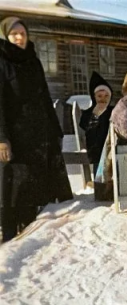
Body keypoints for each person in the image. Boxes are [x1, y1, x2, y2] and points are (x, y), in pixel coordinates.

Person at [0, 17, 72, 242]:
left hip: (37, 136)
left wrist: (54, 130)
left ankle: (33, 235)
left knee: (35, 185)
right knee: (14, 187)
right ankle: (11, 237)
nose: (20, 37)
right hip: (14, 137)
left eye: (23, 32)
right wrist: (2, 138)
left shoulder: (33, 61)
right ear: (5, 36)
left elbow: (44, 97)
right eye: (14, 34)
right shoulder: (1, 62)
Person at [80, 71, 114, 176]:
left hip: (113, 149)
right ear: (94, 97)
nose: (103, 99)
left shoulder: (114, 111)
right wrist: (95, 116)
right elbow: (86, 128)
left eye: (106, 96)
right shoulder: (88, 113)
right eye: (100, 96)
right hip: (97, 153)